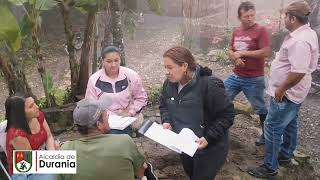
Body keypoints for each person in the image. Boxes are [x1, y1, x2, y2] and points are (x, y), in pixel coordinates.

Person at [248, 1, 319, 178]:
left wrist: (281, 88)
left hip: (287, 93)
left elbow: (298, 71)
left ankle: (269, 167)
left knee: (272, 127)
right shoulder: (305, 33)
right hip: (294, 92)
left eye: (285, 16)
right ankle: (286, 155)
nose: (283, 18)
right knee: (290, 123)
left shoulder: (300, 41)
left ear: (293, 18)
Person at [159, 46, 235, 180]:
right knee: (191, 174)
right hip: (184, 143)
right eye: (165, 67)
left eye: (170, 67)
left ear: (184, 66)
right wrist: (166, 120)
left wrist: (209, 138)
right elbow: (164, 104)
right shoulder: (169, 84)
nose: (166, 72)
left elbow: (227, 114)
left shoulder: (209, 85)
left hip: (209, 147)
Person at [57, 97, 157, 180]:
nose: (108, 116)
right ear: (99, 125)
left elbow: (51, 175)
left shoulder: (64, 150)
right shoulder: (124, 142)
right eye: (106, 115)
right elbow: (140, 173)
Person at [224, 1, 271, 146]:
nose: (250, 18)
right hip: (236, 75)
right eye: (246, 16)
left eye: (252, 15)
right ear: (240, 17)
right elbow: (231, 49)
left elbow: (266, 51)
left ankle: (266, 135)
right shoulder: (237, 31)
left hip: (254, 78)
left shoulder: (261, 30)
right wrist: (235, 58)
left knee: (259, 107)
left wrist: (243, 53)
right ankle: (220, 127)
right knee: (221, 96)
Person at [85, 46, 148, 135]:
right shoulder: (94, 80)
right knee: (114, 133)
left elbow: (141, 98)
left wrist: (131, 112)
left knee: (121, 133)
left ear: (120, 60)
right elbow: (91, 104)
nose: (113, 65)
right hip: (106, 120)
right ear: (102, 61)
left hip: (128, 117)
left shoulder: (131, 75)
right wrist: (106, 117)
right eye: (109, 61)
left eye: (116, 60)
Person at [5, 95, 56, 180]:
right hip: (25, 170)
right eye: (31, 106)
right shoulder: (17, 135)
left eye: (34, 103)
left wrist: (53, 152)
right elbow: (30, 163)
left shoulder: (38, 115)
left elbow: (49, 136)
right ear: (20, 113)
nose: (37, 106)